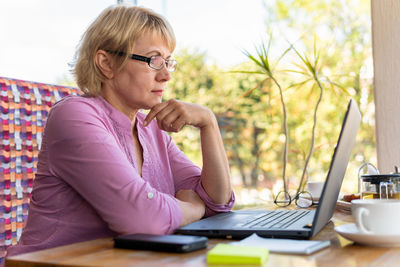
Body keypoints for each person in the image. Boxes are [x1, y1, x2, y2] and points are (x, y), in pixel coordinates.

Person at [6, 4, 234, 257]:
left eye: (168, 62)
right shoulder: (74, 116)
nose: (167, 75)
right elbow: (142, 220)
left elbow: (218, 202)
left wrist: (208, 124)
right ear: (106, 63)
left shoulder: (151, 130)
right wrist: (193, 208)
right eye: (154, 60)